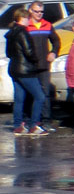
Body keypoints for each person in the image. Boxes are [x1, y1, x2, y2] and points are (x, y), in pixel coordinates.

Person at [7, 8, 47, 136]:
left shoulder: (11, 33)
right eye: (28, 18)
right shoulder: (23, 32)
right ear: (23, 18)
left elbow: (8, 53)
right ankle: (34, 125)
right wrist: (36, 61)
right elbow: (29, 51)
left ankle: (18, 125)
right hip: (25, 70)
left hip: (14, 69)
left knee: (19, 99)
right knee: (40, 96)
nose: (29, 21)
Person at [26, 0, 60, 130]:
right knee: (31, 94)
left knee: (45, 93)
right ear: (30, 10)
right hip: (30, 67)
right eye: (36, 11)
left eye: (41, 12)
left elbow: (56, 41)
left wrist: (53, 52)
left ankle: (46, 120)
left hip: (44, 66)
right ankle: (31, 120)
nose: (39, 14)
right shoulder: (26, 25)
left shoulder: (47, 25)